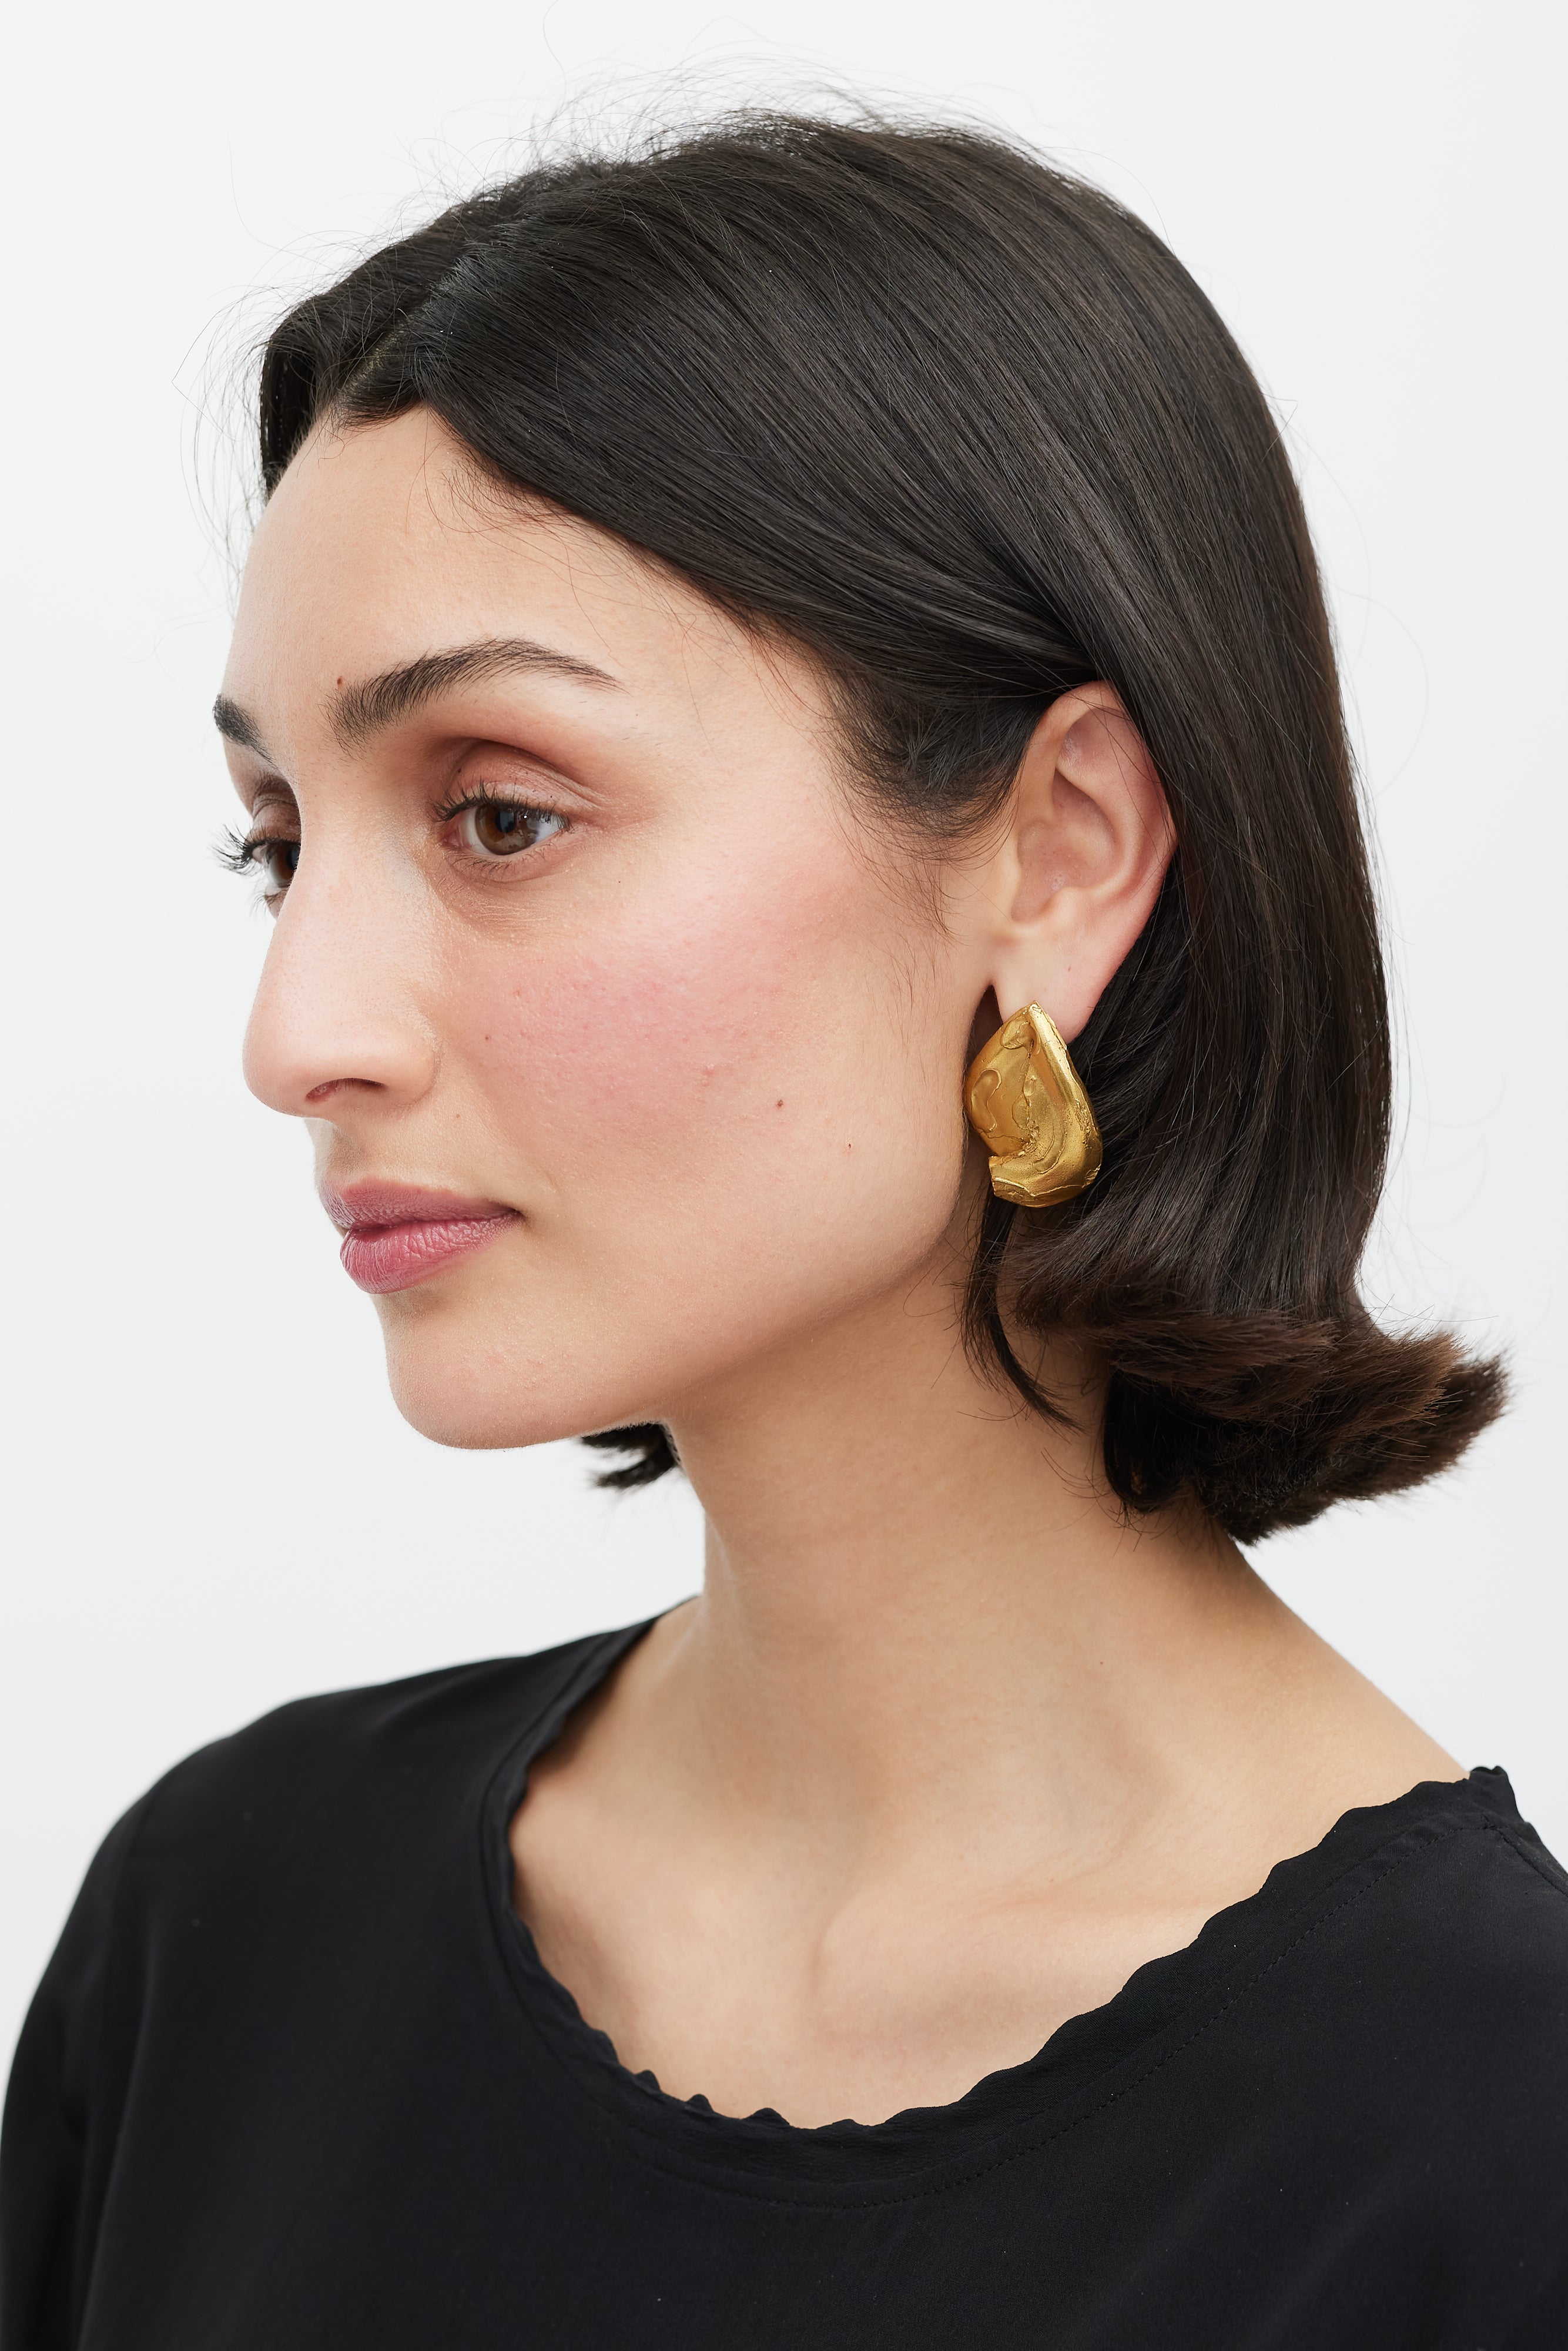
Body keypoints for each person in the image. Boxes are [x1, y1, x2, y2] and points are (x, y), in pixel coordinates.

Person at [2, 111, 1563, 2350]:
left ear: (1057, 850)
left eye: (500, 814)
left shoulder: (1489, 2145)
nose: (298, 1034)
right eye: (280, 842)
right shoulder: (225, 1933)